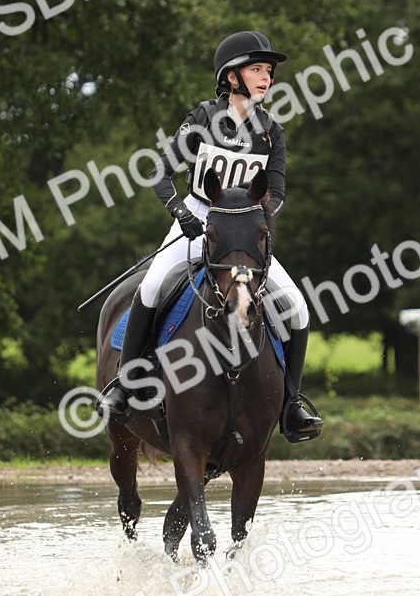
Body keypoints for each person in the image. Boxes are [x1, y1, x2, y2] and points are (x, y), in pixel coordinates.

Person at [102, 30, 323, 442]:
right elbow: (159, 174)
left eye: (269, 71)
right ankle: (125, 384)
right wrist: (181, 213)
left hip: (244, 230)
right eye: (257, 69)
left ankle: (291, 404)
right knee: (149, 290)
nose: (267, 78)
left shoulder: (272, 131)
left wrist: (255, 222)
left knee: (298, 308)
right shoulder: (204, 119)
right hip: (197, 218)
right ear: (232, 77)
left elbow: (277, 195)